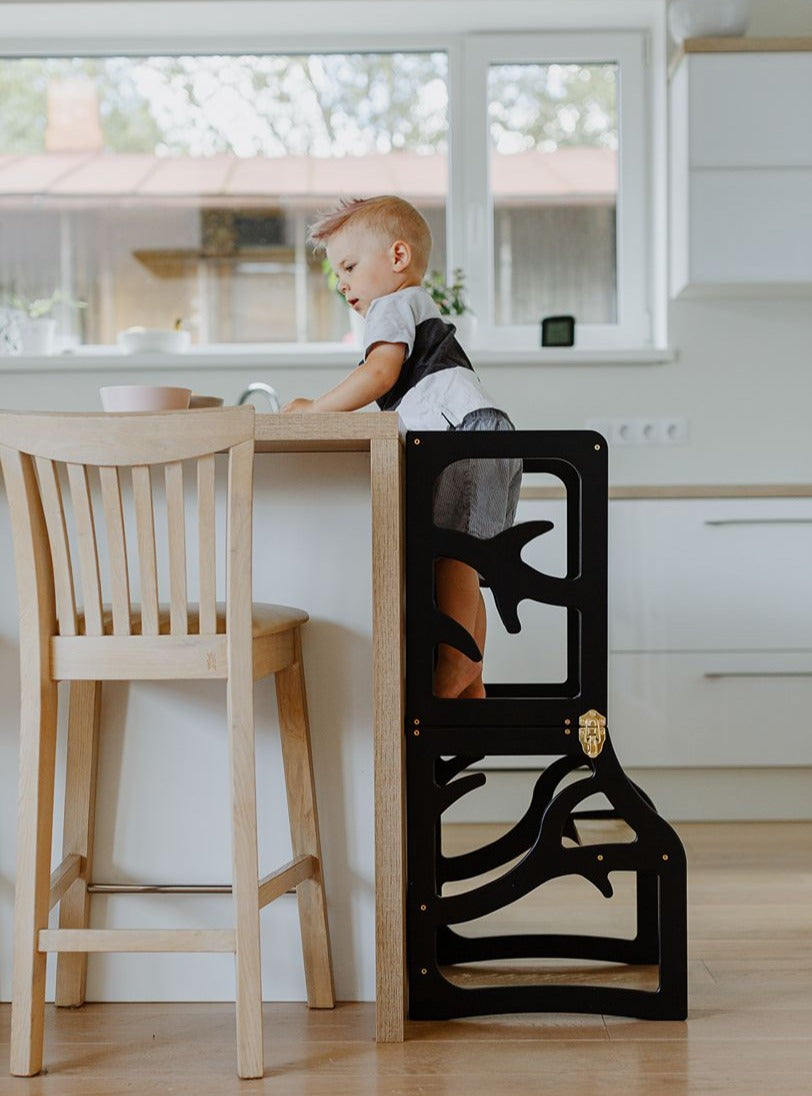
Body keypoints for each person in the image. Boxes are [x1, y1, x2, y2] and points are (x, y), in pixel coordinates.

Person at [282, 195, 521, 699]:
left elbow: (378, 373)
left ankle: (453, 673)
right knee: (467, 562)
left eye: (349, 265)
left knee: (450, 560)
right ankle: (470, 681)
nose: (343, 283)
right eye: (338, 274)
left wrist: (313, 412)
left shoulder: (391, 305)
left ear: (397, 257)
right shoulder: (414, 306)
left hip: (460, 438)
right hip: (480, 430)